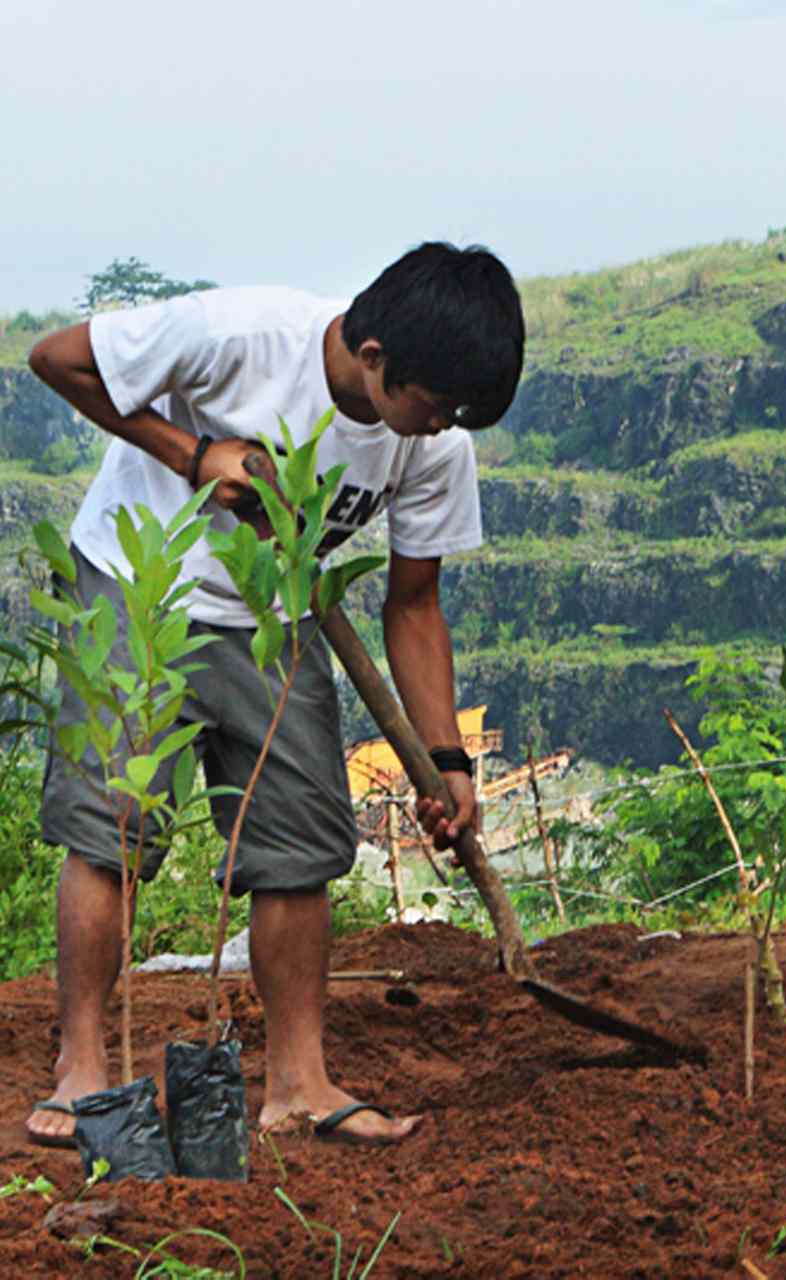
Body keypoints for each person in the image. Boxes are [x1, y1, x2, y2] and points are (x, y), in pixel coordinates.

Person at [24, 243, 523, 1147]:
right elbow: (55, 356)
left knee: (298, 844)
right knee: (110, 833)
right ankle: (82, 1068)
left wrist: (445, 756)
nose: (445, 428)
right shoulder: (240, 335)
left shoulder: (434, 443)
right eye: (436, 406)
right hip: (144, 582)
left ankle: (299, 1084)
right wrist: (195, 453)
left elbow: (414, 605)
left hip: (278, 614)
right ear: (374, 359)